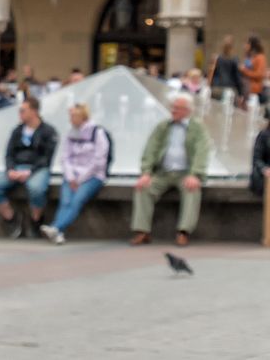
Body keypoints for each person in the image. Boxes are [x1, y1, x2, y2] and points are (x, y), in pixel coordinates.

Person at [130, 92, 211, 246]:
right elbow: (150, 149)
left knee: (192, 190)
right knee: (143, 188)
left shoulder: (197, 128)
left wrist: (195, 174)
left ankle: (183, 232)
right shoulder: (163, 126)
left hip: (186, 173)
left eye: (178, 108)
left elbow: (202, 151)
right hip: (163, 172)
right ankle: (142, 231)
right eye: (173, 108)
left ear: (188, 110)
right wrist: (146, 172)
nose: (173, 111)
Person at [41, 101, 113, 244]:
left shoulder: (97, 133)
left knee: (76, 200)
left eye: (73, 116)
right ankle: (57, 232)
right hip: (72, 175)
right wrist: (70, 176)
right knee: (65, 201)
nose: (71, 119)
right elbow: (65, 157)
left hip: (92, 176)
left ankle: (56, 227)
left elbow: (99, 161)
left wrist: (80, 179)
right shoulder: (71, 133)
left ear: (82, 116)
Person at [0, 96, 56, 238]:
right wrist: (11, 169)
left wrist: (30, 171)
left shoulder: (48, 131)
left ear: (34, 111)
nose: (20, 113)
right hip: (17, 167)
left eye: (23, 110)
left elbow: (47, 158)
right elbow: (9, 153)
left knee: (36, 188)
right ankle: (11, 218)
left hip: (37, 168)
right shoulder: (17, 131)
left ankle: (36, 221)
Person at [209, 35, 243, 103]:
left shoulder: (216, 58)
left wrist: (210, 86)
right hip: (230, 90)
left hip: (216, 89)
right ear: (232, 47)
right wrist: (240, 93)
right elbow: (238, 78)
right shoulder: (235, 60)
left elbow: (211, 74)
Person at [243, 36, 268, 101]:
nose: (245, 45)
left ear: (252, 45)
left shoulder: (260, 57)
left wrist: (244, 70)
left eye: (247, 43)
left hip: (253, 89)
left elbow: (259, 74)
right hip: (246, 87)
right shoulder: (249, 56)